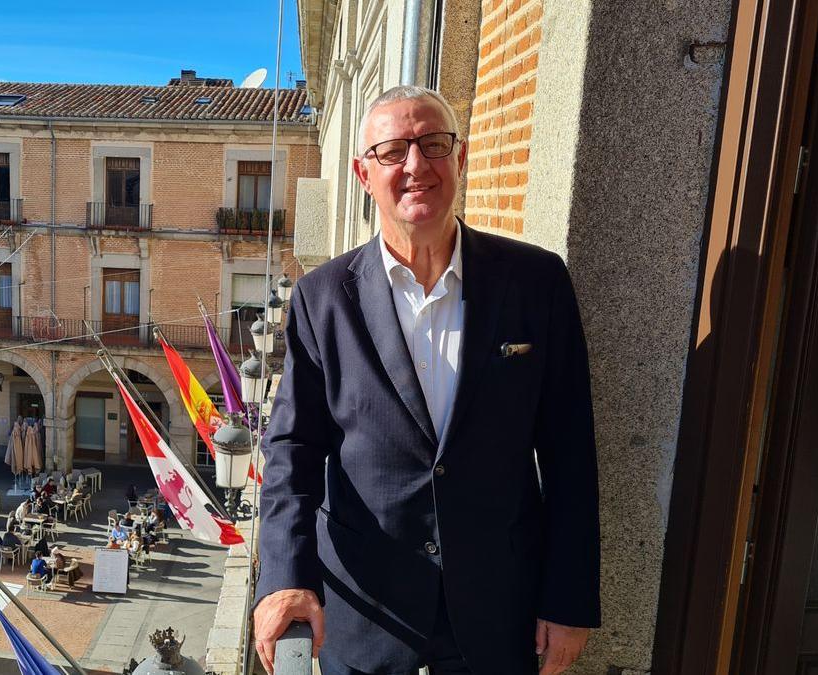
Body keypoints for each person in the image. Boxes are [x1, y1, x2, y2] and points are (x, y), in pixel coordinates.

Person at [252, 86, 601, 675]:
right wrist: (285, 578)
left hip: (500, 612)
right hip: (367, 613)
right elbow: (293, 451)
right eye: (393, 151)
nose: (416, 165)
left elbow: (570, 451)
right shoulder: (321, 300)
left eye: (433, 144)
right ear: (365, 174)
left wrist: (568, 600)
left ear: (460, 158)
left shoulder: (536, 282)